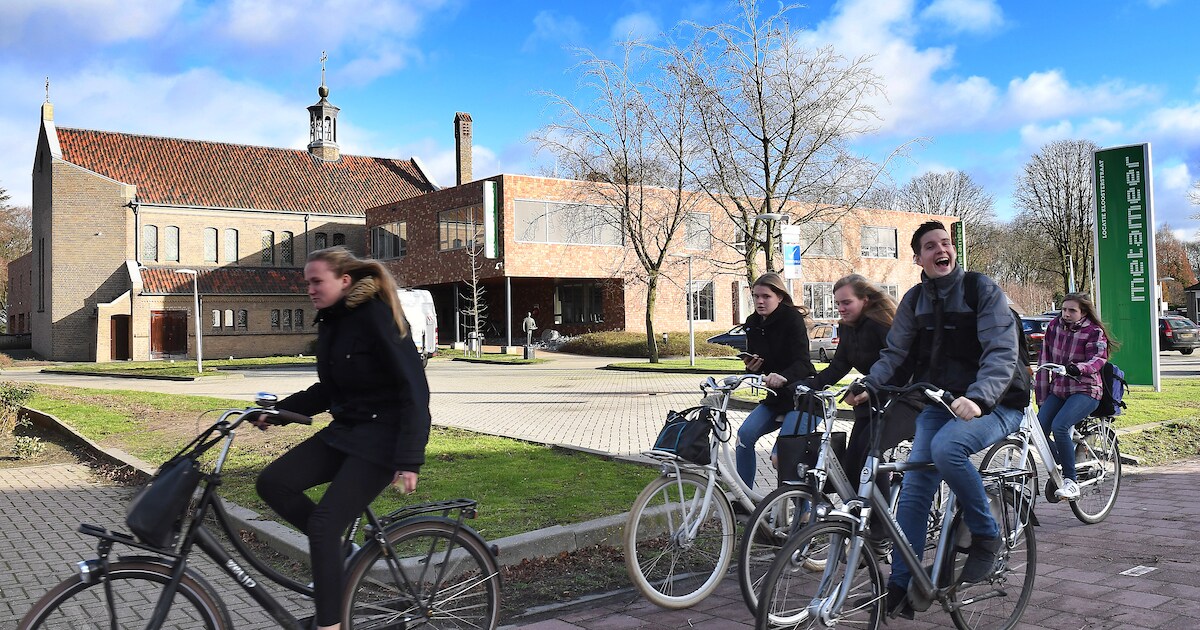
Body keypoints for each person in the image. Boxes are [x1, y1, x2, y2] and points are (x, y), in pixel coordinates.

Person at [852, 221, 1028, 619]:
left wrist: (979, 397)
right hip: (939, 403)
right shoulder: (915, 300)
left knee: (948, 449)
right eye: (930, 246)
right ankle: (900, 585)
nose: (940, 250)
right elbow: (894, 354)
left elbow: (1001, 351)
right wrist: (870, 384)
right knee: (914, 490)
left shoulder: (980, 290)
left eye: (945, 243)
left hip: (998, 403)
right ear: (918, 259)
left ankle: (986, 535)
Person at [254, 246, 431, 630]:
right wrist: (278, 411)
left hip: (382, 440)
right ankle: (341, 553)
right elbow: (329, 389)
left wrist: (410, 457)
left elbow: (414, 386)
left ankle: (331, 624)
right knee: (273, 482)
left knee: (323, 525)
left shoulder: (376, 316)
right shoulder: (332, 322)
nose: (310, 289)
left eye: (317, 281)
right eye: (308, 283)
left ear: (344, 280)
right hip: (347, 432)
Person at [787, 274, 916, 547]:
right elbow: (839, 366)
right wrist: (806, 386)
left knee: (871, 454)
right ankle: (861, 516)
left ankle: (880, 532)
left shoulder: (882, 325)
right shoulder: (847, 328)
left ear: (865, 300)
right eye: (838, 304)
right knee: (852, 460)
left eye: (847, 302)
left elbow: (903, 366)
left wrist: (874, 389)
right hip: (873, 397)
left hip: (906, 398)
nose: (841, 309)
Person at [737, 272, 816, 487]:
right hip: (777, 397)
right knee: (744, 437)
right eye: (755, 296)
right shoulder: (752, 323)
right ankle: (744, 499)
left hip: (803, 398)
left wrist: (783, 376)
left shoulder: (792, 320)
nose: (760, 301)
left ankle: (802, 509)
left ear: (779, 297)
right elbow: (760, 363)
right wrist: (752, 369)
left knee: (781, 456)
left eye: (766, 296)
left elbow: (802, 362)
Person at [1035, 292, 1114, 500]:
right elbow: (1044, 363)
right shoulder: (1054, 327)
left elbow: (1098, 359)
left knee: (1060, 426)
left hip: (1086, 390)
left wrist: (1079, 368)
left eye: (1072, 310)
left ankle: (1071, 481)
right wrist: (1041, 400)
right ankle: (1065, 462)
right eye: (1064, 309)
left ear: (1083, 312)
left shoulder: (1093, 331)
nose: (1066, 314)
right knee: (1037, 429)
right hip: (1059, 390)